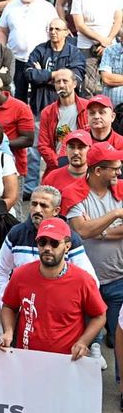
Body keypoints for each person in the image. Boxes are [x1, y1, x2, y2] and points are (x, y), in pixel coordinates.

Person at [0, 216, 106, 358]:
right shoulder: (20, 275)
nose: (47, 248)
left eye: (54, 243)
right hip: (26, 357)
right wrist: (8, 332)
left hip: (66, 361)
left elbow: (99, 316)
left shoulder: (83, 280)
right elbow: (8, 306)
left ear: (67, 246)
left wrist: (83, 342)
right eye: (42, 242)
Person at [0, 185, 98, 327]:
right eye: (34, 204)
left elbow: (91, 281)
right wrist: (6, 303)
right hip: (24, 317)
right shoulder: (16, 234)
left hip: (59, 320)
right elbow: (1, 270)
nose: (37, 210)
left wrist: (69, 307)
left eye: (43, 205)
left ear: (56, 211)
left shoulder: (70, 238)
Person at [65, 141, 123, 386]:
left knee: (121, 337)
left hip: (119, 277)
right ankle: (82, 389)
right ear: (98, 170)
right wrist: (116, 215)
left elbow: (91, 230)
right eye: (114, 168)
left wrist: (98, 231)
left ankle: (122, 384)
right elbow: (81, 229)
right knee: (84, 338)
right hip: (85, 281)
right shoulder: (73, 193)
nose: (118, 173)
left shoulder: (120, 189)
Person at [0, 73, 35, 201]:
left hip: (13, 167)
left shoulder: (20, 107)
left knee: (14, 210)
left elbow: (28, 139)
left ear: (1, 91)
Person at [0, 0, 58, 105]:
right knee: (18, 96)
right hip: (15, 60)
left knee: (40, 97)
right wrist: (2, 53)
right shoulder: (10, 6)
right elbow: (2, 31)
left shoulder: (47, 8)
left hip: (39, 61)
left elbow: (56, 32)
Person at [26, 17, 85, 118]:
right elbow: (29, 74)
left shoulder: (74, 53)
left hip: (66, 108)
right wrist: (56, 75)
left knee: (64, 133)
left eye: (57, 29)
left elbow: (76, 79)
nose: (53, 32)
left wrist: (43, 75)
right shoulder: (40, 50)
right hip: (40, 106)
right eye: (51, 29)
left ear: (66, 32)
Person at [37, 69, 89, 175]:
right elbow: (43, 145)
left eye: (65, 81)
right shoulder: (47, 112)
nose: (61, 85)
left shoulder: (88, 108)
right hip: (58, 166)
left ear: (74, 84)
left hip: (85, 166)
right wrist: (58, 163)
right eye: (57, 82)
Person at [70, 0, 122, 97]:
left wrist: (108, 41)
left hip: (111, 48)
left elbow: (118, 21)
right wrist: (102, 40)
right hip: (86, 47)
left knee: (114, 82)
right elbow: (79, 25)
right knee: (88, 88)